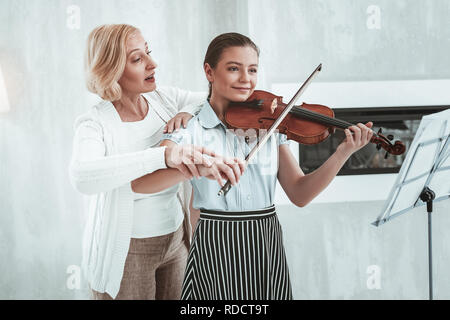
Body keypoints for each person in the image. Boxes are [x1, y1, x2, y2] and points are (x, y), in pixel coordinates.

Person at [131, 32, 374, 299]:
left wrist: (342, 153)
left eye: (253, 69)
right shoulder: (191, 126)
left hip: (265, 237)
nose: (246, 78)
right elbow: (142, 182)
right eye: (234, 68)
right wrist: (195, 166)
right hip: (216, 240)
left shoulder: (270, 124)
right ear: (209, 72)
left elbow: (300, 194)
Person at [68, 24, 243, 300]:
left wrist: (185, 112)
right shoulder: (95, 123)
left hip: (175, 241)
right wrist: (163, 155)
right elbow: (83, 177)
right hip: (126, 252)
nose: (153, 63)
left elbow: (211, 99)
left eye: (148, 52)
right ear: (111, 69)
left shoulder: (164, 99)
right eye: (138, 59)